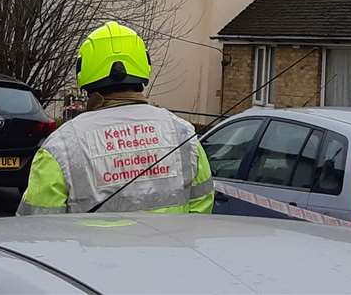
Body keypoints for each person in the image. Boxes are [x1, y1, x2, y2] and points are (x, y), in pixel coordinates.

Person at [18, 22, 213, 215]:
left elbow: (38, 227)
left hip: (91, 247)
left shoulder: (61, 146)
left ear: (83, 71)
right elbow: (201, 209)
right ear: (144, 65)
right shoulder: (182, 133)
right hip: (170, 246)